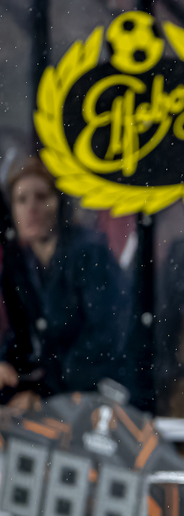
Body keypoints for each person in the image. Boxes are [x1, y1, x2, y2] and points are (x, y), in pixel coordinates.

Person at [0, 157, 129, 402]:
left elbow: (105, 339)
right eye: (21, 200)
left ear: (60, 203)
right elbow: (21, 336)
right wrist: (6, 364)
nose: (31, 208)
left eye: (41, 197)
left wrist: (44, 391)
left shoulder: (89, 253)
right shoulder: (19, 264)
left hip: (99, 392)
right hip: (54, 389)